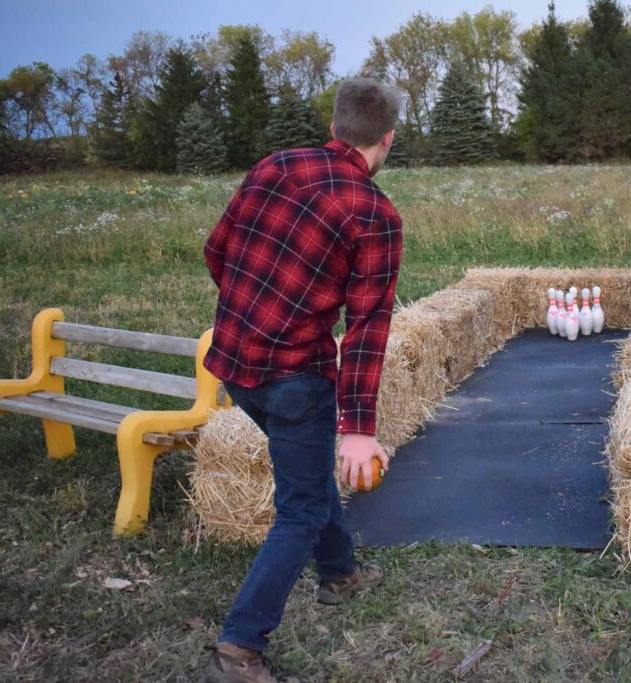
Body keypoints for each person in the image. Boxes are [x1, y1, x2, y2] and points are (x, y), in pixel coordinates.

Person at [200, 78, 404, 683]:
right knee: (302, 510)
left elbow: (217, 250)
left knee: (309, 472)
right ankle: (239, 649)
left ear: (335, 125)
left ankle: (340, 574)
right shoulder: (375, 213)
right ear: (387, 139)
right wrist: (359, 430)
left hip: (236, 364)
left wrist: (253, 314)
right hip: (295, 379)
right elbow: (367, 328)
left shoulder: (275, 166)